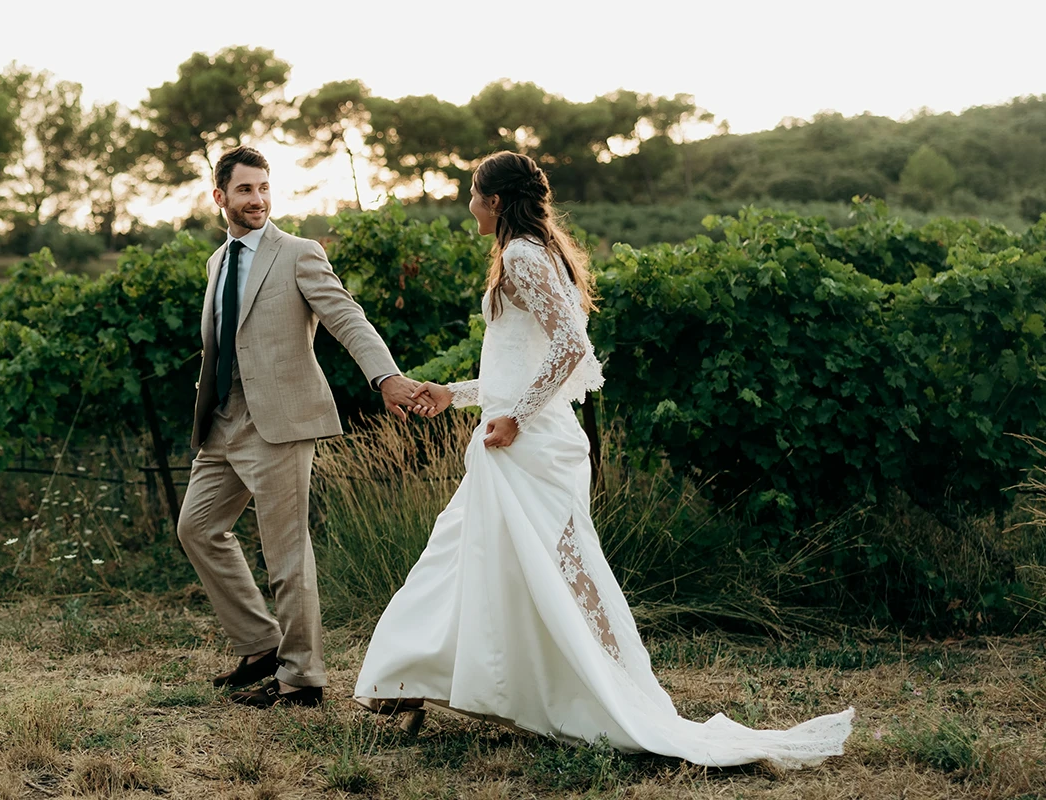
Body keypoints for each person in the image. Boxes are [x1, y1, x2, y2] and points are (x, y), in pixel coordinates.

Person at [352, 150, 854, 768]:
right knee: (466, 557)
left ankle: (587, 694)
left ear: (497, 201)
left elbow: (571, 347)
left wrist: (516, 417)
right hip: (513, 439)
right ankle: (406, 681)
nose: (469, 205)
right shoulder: (532, 254)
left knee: (557, 571)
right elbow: (520, 365)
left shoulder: (521, 256)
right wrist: (453, 395)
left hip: (529, 447)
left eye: (474, 194)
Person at [177, 145, 437, 708]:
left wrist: (386, 378)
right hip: (222, 421)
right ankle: (259, 643)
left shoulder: (297, 253)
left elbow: (346, 316)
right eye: (245, 190)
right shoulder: (216, 262)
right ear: (219, 197)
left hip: (281, 424)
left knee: (286, 553)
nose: (258, 199)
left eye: (264, 187)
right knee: (196, 529)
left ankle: (301, 678)